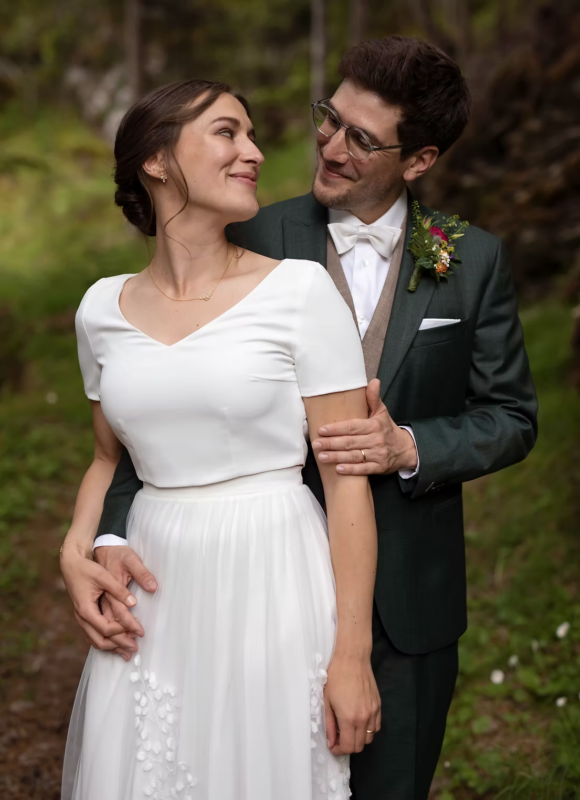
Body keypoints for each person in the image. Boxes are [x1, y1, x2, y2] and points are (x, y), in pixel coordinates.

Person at [62, 36, 538, 800]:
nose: (332, 144)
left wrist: (407, 445)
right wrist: (101, 539)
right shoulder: (250, 230)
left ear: (418, 161)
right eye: (330, 118)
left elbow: (511, 415)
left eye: (362, 138)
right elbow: (152, 420)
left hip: (405, 596)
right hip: (243, 587)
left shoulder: (469, 259)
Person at [60, 78, 381, 800]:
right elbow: (107, 457)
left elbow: (345, 483)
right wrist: (75, 548)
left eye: (253, 135)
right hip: (153, 590)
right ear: (156, 159)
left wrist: (352, 655)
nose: (255, 153)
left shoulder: (300, 292)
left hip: (273, 574)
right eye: (228, 133)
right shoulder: (100, 309)